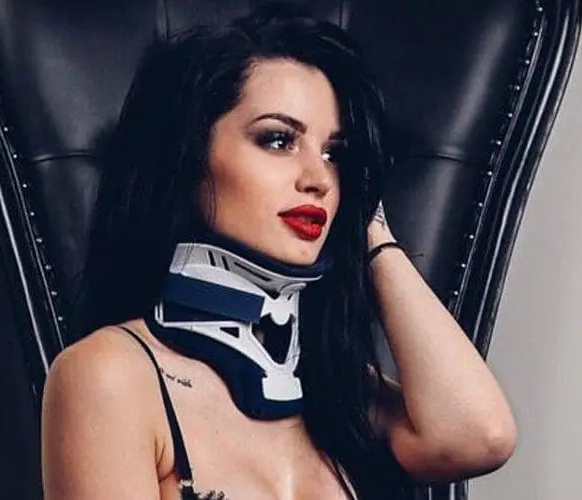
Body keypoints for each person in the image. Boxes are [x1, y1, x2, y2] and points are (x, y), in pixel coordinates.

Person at [40, 3, 517, 499]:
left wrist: (370, 227)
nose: (319, 179)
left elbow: (480, 436)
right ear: (186, 156)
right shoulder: (111, 377)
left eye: (334, 154)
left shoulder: (336, 388)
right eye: (277, 140)